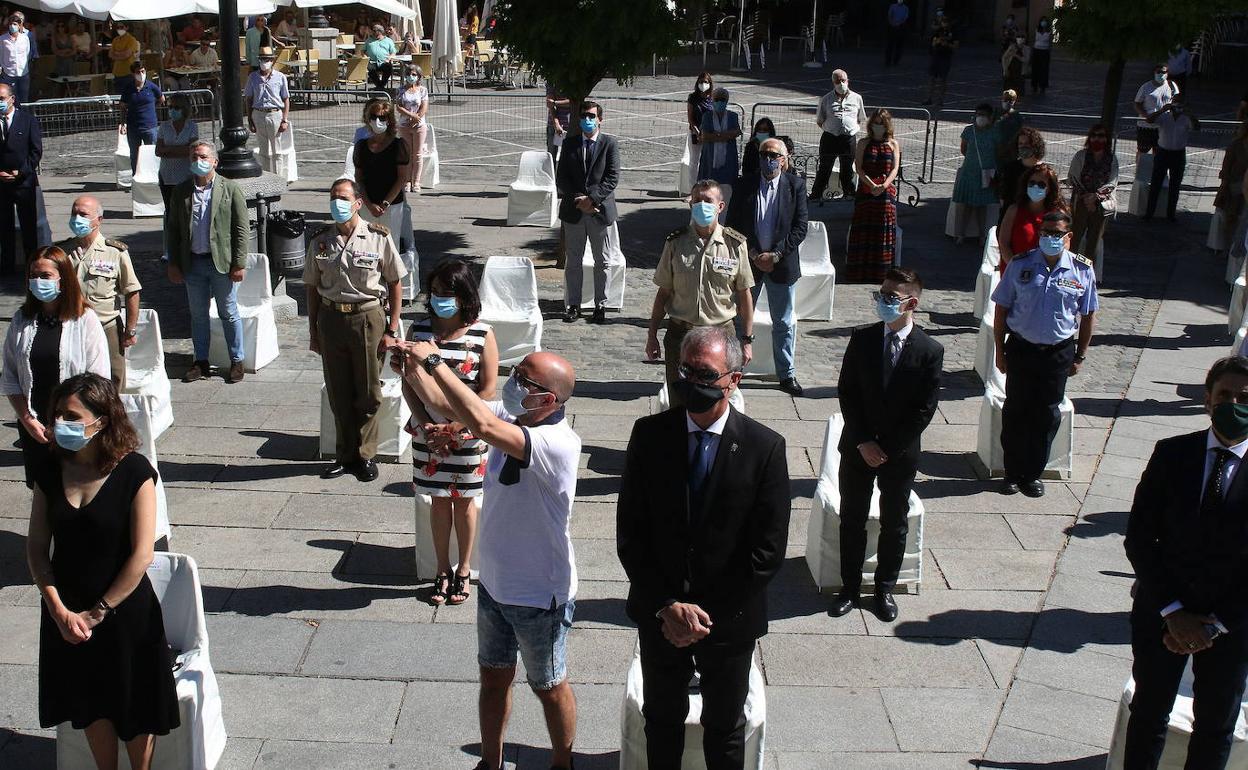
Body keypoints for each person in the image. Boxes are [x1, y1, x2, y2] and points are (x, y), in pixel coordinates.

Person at [392, 343, 581, 770]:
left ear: (547, 400)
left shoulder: (556, 442)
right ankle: (490, 762)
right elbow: (446, 403)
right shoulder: (513, 415)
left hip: (539, 594)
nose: (513, 383)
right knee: (493, 678)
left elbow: (477, 420)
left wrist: (436, 361)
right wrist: (413, 368)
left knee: (549, 685)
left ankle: (562, 762)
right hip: (495, 584)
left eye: (523, 380)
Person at [617, 325, 791, 770]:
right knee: (661, 720)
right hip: (662, 616)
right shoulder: (649, 435)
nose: (694, 383)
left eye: (706, 374)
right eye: (686, 371)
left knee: (724, 727)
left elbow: (766, 552)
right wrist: (668, 605)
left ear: (734, 379)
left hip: (728, 620)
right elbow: (632, 534)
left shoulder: (764, 448)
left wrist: (701, 616)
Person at [26, 372, 180, 770]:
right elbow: (37, 548)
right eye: (58, 414)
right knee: (90, 705)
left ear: (102, 420)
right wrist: (59, 610)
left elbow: (142, 555)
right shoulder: (49, 469)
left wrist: (98, 611)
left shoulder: (134, 472)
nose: (62, 423)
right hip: (69, 613)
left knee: (135, 709)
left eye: (73, 416)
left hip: (124, 611)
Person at [1122, 356, 1248, 770]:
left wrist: (1211, 624)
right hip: (1163, 611)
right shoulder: (1173, 453)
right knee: (1148, 714)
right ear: (1207, 401)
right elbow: (1140, 537)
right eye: (1225, 395)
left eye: (1244, 397)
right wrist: (1174, 613)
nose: (1234, 403)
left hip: (1230, 626)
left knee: (1214, 726)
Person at [831, 268, 942, 623]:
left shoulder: (929, 350)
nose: (884, 302)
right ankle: (849, 587)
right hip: (858, 448)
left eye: (892, 298)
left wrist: (887, 448)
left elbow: (923, 409)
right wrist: (864, 441)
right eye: (881, 294)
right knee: (852, 518)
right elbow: (847, 392)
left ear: (912, 303)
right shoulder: (861, 339)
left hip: (898, 453)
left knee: (895, 523)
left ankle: (884, 589)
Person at [400, 259, 498, 605]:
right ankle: (442, 569)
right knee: (438, 501)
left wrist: (457, 426)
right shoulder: (419, 331)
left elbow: (487, 389)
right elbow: (407, 382)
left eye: (448, 293)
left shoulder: (482, 333)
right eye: (436, 292)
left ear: (464, 295)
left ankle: (465, 568)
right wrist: (425, 423)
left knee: (466, 503)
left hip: (467, 433)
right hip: (428, 433)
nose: (440, 299)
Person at [304, 178, 406, 482]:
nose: (338, 203)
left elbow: (395, 281)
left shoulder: (377, 237)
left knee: (368, 391)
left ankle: (365, 454)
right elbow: (311, 287)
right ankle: (344, 455)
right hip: (332, 319)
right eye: (333, 197)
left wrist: (393, 326)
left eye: (344, 198)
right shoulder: (320, 240)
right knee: (338, 391)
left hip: (368, 319)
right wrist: (313, 330)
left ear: (358, 203)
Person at [992, 210, 1097, 498]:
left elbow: (1088, 315)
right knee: (1016, 410)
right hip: (1022, 347)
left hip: (1058, 352)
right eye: (1045, 233)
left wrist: (1081, 355)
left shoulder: (1082, 270)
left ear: (1068, 237)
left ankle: (1032, 473)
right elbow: (1001, 308)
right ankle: (1012, 473)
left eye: (1056, 234)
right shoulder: (1021, 264)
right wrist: (999, 350)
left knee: (1046, 414)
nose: (1050, 238)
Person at [1, 246, 109, 486]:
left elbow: (99, 378)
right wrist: (28, 419)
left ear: (63, 279)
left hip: (74, 426)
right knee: (42, 490)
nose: (38, 281)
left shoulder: (84, 320)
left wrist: (70, 423)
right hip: (35, 425)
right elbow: (10, 376)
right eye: (33, 276)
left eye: (45, 276)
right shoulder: (22, 320)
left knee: (76, 489)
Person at [646, 180, 754, 403]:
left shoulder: (735, 244)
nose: (702, 205)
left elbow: (744, 296)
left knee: (718, 399)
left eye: (708, 201)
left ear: (720, 206)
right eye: (697, 201)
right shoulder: (675, 243)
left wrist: (747, 340)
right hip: (681, 334)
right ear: (690, 204)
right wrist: (652, 335)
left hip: (721, 335)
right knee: (679, 401)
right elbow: (663, 293)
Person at [725, 137, 809, 396]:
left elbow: (800, 227)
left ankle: (786, 374)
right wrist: (752, 253)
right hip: (749, 263)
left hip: (781, 265)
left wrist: (776, 254)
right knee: (740, 320)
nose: (768, 159)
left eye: (773, 155)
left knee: (783, 322)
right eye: (764, 154)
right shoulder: (745, 185)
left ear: (784, 160)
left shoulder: (795, 186)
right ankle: (734, 371)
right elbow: (733, 224)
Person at [163, 141, 248, 385]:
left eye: (202, 156)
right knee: (198, 315)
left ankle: (236, 359)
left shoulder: (230, 189)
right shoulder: (181, 191)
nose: (197, 161)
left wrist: (239, 263)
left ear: (214, 161)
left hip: (221, 262)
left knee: (228, 312)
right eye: (193, 157)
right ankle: (200, 361)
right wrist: (173, 262)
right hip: (193, 264)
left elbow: (241, 228)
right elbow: (173, 230)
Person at [57, 196, 140, 390]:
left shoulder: (115, 252)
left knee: (113, 379)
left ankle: (112, 417)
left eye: (83, 214)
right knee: (71, 379)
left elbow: (132, 291)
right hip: (71, 324)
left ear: (98, 220)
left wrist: (130, 329)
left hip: (106, 325)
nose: (77, 219)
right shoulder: (62, 251)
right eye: (74, 213)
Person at [557, 100, 619, 325]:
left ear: (600, 119)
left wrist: (592, 199)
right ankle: (573, 304)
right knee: (573, 260)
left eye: (592, 116)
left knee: (602, 261)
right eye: (584, 116)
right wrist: (578, 199)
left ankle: (600, 305)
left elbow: (612, 177)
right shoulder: (570, 143)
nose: (588, 120)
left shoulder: (609, 144)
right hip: (574, 211)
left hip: (599, 211)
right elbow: (561, 176)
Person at [847, 109, 901, 284]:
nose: (879, 127)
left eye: (882, 123)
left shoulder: (893, 144)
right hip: (867, 188)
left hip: (885, 190)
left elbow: (894, 168)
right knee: (864, 226)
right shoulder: (864, 143)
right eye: (876, 123)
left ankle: (881, 272)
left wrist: (884, 186)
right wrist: (870, 184)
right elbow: (859, 167)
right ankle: (860, 271)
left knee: (883, 226)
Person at [0, 82, 40, 277]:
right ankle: (7, 266)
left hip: (23, 182)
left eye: (1, 99)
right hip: (1, 184)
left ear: (11, 99)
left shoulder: (28, 121)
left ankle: (31, 265)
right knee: (4, 227)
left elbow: (35, 151)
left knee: (28, 226)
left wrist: (20, 172)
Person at [353, 99, 409, 232]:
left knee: (391, 243)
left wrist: (385, 204)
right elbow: (359, 178)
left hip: (391, 204)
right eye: (374, 117)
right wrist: (368, 204)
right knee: (367, 245)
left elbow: (402, 178)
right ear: (368, 119)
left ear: (389, 120)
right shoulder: (361, 146)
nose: (377, 121)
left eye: (382, 117)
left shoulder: (399, 145)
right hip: (367, 203)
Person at [811, 69, 865, 203]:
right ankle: (816, 195)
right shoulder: (826, 99)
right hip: (830, 138)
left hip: (848, 139)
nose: (841, 83)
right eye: (838, 81)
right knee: (825, 167)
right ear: (833, 82)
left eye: (843, 80)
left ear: (848, 81)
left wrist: (848, 128)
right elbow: (820, 120)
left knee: (847, 168)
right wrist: (832, 128)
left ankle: (849, 194)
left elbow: (860, 118)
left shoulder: (857, 98)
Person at [951, 103, 1001, 246]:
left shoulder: (994, 133)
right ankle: (961, 234)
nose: (980, 117)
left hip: (986, 174)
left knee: (982, 207)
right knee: (965, 205)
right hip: (969, 172)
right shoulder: (968, 131)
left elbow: (998, 151)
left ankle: (982, 235)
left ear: (990, 117)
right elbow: (964, 149)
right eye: (978, 114)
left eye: (984, 115)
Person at [1146, 92, 1200, 222]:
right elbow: (1149, 120)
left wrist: (1189, 113)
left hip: (1178, 154)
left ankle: (1170, 215)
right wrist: (1162, 110)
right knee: (1156, 183)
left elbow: (1197, 127)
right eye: (1175, 102)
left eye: (1180, 103)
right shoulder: (1164, 117)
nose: (1177, 105)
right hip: (1163, 152)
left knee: (1175, 185)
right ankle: (1149, 213)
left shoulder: (1186, 119)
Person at [998, 162, 1064, 268]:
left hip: (1045, 273)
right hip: (1015, 270)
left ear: (1050, 188)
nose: (1035, 187)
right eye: (1032, 183)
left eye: (1041, 185)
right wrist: (1016, 268)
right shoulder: (1014, 210)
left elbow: (1064, 246)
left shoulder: (1058, 214)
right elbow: (1003, 243)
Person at [1067, 124, 1119, 258]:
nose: (1097, 139)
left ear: (1106, 139)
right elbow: (1073, 177)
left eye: (1101, 136)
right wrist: (1087, 198)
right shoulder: (1081, 155)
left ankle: (1088, 271)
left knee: (1094, 240)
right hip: (1081, 201)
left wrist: (1095, 197)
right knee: (1075, 237)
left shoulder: (1112, 159)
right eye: (1093, 136)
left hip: (1101, 204)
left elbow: (1112, 182)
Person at [244, 46, 291, 176]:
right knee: (263, 150)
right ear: (259, 60)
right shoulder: (253, 77)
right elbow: (248, 98)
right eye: (263, 59)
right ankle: (266, 177)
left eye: (268, 59)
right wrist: (250, 119)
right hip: (258, 113)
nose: (265, 61)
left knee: (277, 150)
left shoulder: (280, 77)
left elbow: (286, 99)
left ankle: (278, 178)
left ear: (272, 60)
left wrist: (284, 119)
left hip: (275, 114)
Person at [696, 88, 741, 202]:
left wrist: (716, 135)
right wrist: (725, 135)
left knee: (727, 184)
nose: (720, 102)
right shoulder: (707, 116)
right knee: (708, 184)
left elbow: (736, 133)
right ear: (712, 100)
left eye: (723, 99)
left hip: (728, 157)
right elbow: (705, 136)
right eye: (717, 99)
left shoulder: (733, 116)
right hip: (710, 156)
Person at [118, 62, 163, 175]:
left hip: (149, 126)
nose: (141, 74)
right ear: (133, 74)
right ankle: (136, 176)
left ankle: (153, 176)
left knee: (151, 153)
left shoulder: (152, 87)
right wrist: (122, 123)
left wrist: (152, 108)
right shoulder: (128, 88)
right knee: (135, 155)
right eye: (138, 72)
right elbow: (123, 106)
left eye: (143, 71)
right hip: (133, 127)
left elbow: (161, 99)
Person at [154, 94, 198, 207]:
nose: (172, 110)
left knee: (185, 209)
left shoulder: (192, 127)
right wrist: (181, 149)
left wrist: (168, 150)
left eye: (176, 108)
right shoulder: (164, 126)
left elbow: (192, 150)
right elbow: (158, 151)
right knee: (169, 208)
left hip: (185, 175)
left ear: (184, 109)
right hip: (166, 175)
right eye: (170, 107)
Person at [996, 121, 1040, 224]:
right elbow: (1003, 195)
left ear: (1035, 145)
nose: (1023, 146)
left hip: (1033, 217)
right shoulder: (1010, 168)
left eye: (1027, 143)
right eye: (1020, 144)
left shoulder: (1042, 170)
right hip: (1011, 217)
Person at [1134, 63, 1179, 155]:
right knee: (1142, 152)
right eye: (1159, 72)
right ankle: (1140, 168)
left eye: (1164, 72)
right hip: (1145, 127)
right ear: (1154, 73)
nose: (1161, 74)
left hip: (1162, 127)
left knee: (1159, 153)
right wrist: (1146, 116)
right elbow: (1137, 104)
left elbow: (1176, 101)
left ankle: (1157, 169)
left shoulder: (1172, 85)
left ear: (1167, 73)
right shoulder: (1146, 87)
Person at [396, 69, 428, 193]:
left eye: (414, 74)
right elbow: (398, 107)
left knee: (418, 154)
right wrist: (411, 115)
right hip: (404, 124)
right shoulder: (401, 90)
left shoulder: (422, 90)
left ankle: (417, 181)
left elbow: (424, 106)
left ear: (418, 76)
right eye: (409, 74)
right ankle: (407, 180)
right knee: (407, 154)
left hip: (419, 125)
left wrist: (417, 118)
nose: (411, 76)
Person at [922, 11, 957, 110]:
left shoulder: (953, 32)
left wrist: (947, 44)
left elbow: (956, 46)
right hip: (936, 56)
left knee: (943, 80)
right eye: (942, 21)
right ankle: (929, 98)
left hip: (946, 57)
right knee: (932, 78)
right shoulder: (938, 31)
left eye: (945, 21)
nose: (943, 23)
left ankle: (940, 100)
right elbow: (933, 43)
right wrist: (937, 41)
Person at [364, 23, 396, 91]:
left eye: (373, 30)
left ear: (379, 32)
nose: (372, 32)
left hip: (384, 61)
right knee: (370, 68)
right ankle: (380, 86)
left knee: (388, 68)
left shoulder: (388, 41)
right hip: (372, 62)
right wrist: (366, 58)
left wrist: (389, 58)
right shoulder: (369, 40)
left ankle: (380, 86)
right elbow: (362, 51)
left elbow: (393, 52)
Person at [686, 72, 714, 148]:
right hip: (695, 132)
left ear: (710, 83)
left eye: (705, 82)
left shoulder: (713, 98)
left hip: (710, 133)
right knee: (694, 158)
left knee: (708, 157)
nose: (703, 84)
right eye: (701, 82)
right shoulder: (693, 97)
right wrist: (698, 133)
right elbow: (690, 118)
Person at [545, 84, 572, 162]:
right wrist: (556, 124)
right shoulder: (552, 81)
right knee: (551, 155)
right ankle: (551, 173)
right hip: (553, 124)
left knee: (570, 154)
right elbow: (549, 103)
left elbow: (575, 101)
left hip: (571, 124)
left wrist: (555, 102)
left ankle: (566, 174)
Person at [108, 22, 139, 88]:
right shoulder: (115, 40)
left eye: (121, 27)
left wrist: (116, 53)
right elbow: (110, 54)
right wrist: (122, 54)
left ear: (127, 27)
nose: (119, 29)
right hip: (116, 72)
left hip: (128, 72)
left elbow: (127, 55)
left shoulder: (132, 40)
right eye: (118, 27)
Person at [1031, 17, 1052, 95]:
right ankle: (1034, 86)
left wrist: (1049, 52)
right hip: (1036, 50)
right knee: (1035, 69)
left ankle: (1042, 86)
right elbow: (1033, 40)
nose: (1043, 22)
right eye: (1042, 21)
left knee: (1044, 70)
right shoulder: (1036, 30)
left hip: (1045, 51)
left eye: (1045, 21)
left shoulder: (1049, 31)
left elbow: (1050, 43)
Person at [884, 0, 908, 66]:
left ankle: (896, 61)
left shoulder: (905, 8)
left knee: (899, 46)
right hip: (892, 27)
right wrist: (892, 23)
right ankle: (888, 61)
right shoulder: (893, 6)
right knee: (890, 45)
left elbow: (905, 18)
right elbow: (889, 15)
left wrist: (899, 24)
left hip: (900, 28)